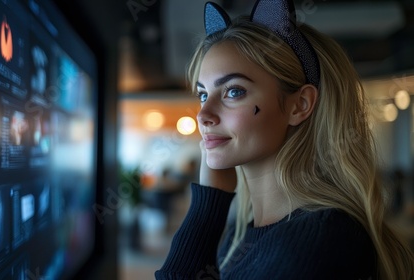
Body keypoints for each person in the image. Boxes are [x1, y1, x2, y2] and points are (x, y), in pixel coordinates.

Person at [155, 1, 414, 279]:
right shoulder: (242, 235)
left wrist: (207, 209)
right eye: (204, 94)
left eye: (233, 92)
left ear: (299, 105)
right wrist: (210, 202)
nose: (203, 114)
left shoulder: (318, 242)